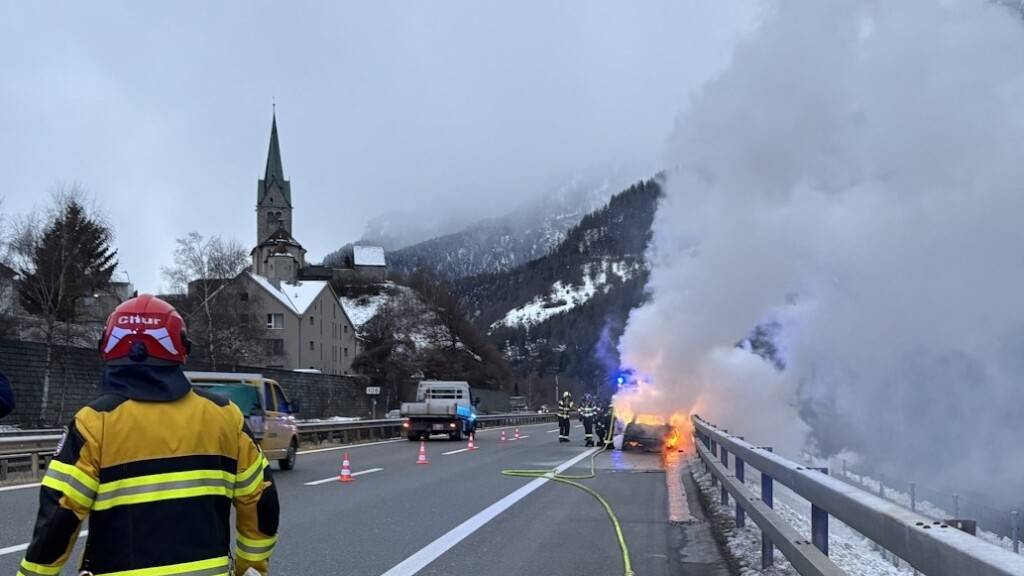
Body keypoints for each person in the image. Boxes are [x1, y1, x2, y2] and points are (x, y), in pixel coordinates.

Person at [19, 294, 280, 576]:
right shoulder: (225, 416)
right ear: (181, 348)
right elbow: (261, 500)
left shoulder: (94, 423)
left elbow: (60, 514)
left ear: (108, 346)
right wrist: (250, 567)